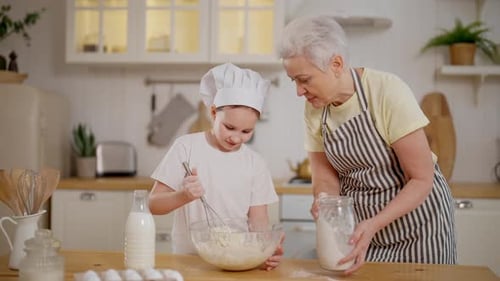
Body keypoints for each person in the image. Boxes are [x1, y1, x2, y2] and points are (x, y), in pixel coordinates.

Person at [277, 15, 456, 274]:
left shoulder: (386, 91)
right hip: (362, 231)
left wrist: (374, 224)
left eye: (304, 79)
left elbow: (421, 178)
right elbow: (325, 177)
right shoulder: (314, 109)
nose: (299, 91)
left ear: (336, 64)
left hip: (420, 227)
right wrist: (325, 201)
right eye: (293, 81)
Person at [149, 62, 283, 271]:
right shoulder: (186, 147)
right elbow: (153, 204)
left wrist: (263, 250)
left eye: (247, 131)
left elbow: (258, 221)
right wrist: (183, 196)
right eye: (229, 127)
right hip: (190, 262)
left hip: (238, 261)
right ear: (213, 112)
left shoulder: (255, 163)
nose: (236, 138)